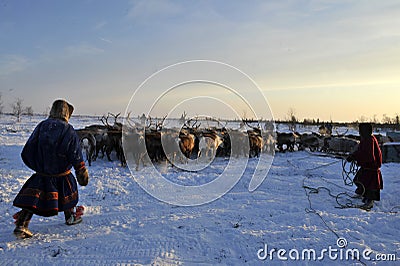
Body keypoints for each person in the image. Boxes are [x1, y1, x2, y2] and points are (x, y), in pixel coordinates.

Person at [12, 99, 89, 239]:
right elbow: (75, 155)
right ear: (66, 113)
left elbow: (27, 151)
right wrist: (81, 172)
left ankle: (21, 225)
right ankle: (70, 217)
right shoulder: (68, 130)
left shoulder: (41, 126)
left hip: (42, 174)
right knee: (68, 191)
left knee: (32, 200)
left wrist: (38, 167)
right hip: (62, 174)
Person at [347, 123, 383, 210]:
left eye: (360, 131)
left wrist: (355, 157)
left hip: (371, 167)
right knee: (359, 180)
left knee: (370, 185)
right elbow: (361, 151)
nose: (359, 133)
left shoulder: (369, 140)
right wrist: (353, 155)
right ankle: (361, 192)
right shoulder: (367, 139)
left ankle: (370, 201)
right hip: (367, 166)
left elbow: (368, 155)